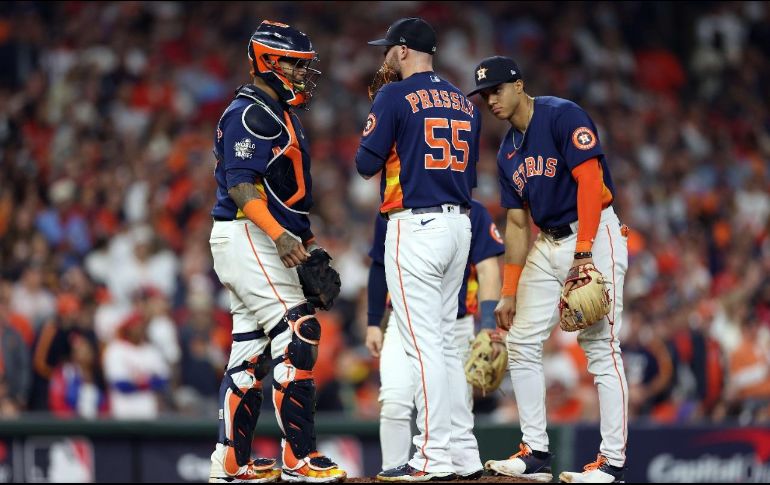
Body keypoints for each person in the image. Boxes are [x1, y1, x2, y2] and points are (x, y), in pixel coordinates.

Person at [467, 56, 629, 483]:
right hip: (547, 239)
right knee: (520, 341)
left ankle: (611, 462)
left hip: (593, 232)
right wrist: (508, 290)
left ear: (519, 85)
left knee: (601, 349)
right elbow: (518, 223)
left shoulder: (562, 115)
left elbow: (591, 183)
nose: (491, 100)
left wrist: (584, 254)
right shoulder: (507, 151)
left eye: (497, 90)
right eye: (484, 95)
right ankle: (535, 451)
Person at [207, 20, 345, 484]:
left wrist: (306, 244)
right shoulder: (250, 112)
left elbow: (286, 195)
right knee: (298, 330)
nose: (302, 73)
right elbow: (241, 185)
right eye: (293, 63)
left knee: (250, 352)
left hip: (255, 235)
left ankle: (232, 461)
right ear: (267, 60)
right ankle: (299, 457)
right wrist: (281, 237)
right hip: (247, 231)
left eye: (305, 65)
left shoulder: (278, 111)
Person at [355, 17, 483, 482]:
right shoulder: (465, 104)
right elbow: (468, 176)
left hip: (416, 225)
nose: (385, 55)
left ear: (404, 50)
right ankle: (463, 453)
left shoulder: (393, 94)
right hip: (459, 225)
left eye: (389, 48)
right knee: (447, 344)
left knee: (422, 343)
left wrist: (382, 121)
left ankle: (430, 456)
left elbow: (365, 164)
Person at [365, 199, 504, 479]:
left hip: (456, 324)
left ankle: (455, 463)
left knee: (457, 413)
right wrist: (373, 322)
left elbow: (489, 267)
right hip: (402, 321)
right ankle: (392, 469)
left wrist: (488, 324)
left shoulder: (471, 211)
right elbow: (379, 266)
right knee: (394, 402)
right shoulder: (394, 207)